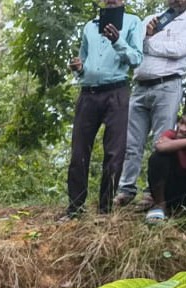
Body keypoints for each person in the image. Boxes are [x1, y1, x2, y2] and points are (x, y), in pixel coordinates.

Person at [62, 0, 143, 219]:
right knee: (79, 151)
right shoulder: (90, 26)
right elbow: (85, 61)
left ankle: (105, 209)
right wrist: (79, 68)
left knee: (114, 152)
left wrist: (118, 40)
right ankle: (75, 208)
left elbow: (136, 58)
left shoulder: (133, 22)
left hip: (117, 92)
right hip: (88, 93)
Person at [114, 0, 186, 209]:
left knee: (161, 143)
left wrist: (147, 43)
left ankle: (152, 194)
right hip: (140, 86)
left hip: (168, 84)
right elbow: (134, 51)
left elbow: (178, 50)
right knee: (131, 143)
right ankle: (125, 190)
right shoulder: (150, 20)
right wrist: (145, 36)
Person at [144, 111, 186, 220]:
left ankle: (180, 210)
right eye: (182, 123)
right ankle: (160, 205)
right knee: (158, 157)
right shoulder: (171, 134)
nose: (182, 128)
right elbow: (161, 147)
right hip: (169, 190)